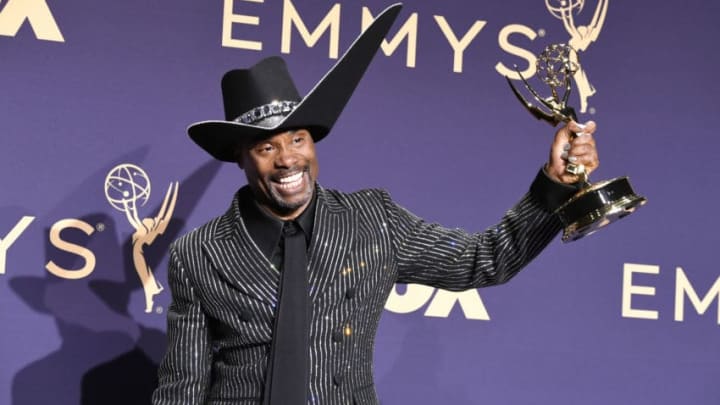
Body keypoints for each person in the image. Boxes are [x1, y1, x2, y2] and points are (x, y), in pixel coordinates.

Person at [151, 5, 599, 405]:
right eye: (266, 147)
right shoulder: (199, 254)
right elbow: (183, 389)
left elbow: (485, 259)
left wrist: (553, 185)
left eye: (298, 139)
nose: (288, 158)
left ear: (313, 142)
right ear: (241, 158)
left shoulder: (372, 221)